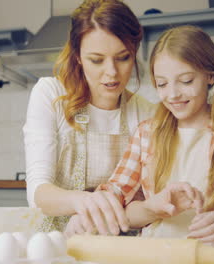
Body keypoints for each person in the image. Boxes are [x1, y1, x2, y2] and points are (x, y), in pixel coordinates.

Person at [94, 25, 214, 246]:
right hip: (158, 255)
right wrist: (150, 208)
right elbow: (119, 201)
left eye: (186, 80)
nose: (172, 94)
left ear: (210, 75)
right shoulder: (147, 133)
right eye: (162, 83)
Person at [23, 0, 156, 235]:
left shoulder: (145, 113)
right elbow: (38, 193)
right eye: (96, 60)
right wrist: (83, 201)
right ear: (78, 57)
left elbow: (148, 198)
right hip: (57, 243)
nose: (112, 72)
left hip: (123, 244)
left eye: (123, 57)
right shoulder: (51, 94)